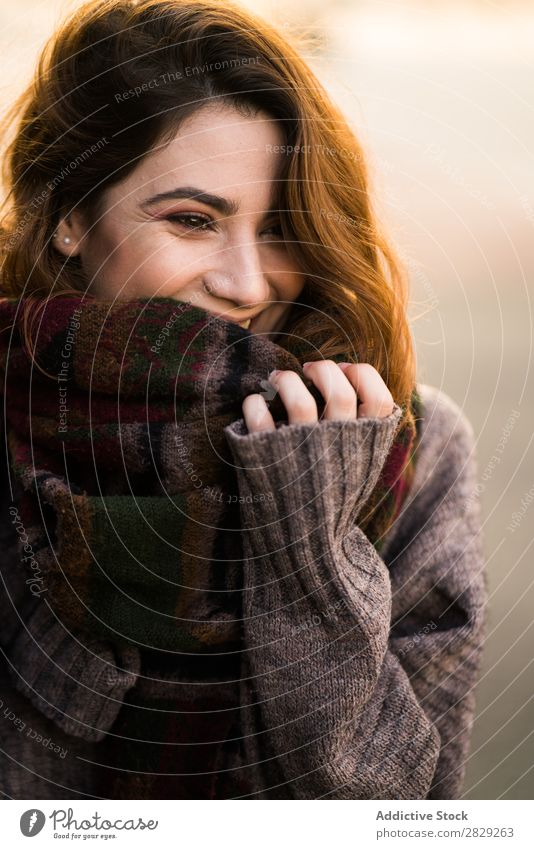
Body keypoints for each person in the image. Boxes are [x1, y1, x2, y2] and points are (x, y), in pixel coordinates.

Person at [0, 0, 487, 800]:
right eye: (192, 220)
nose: (248, 285)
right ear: (68, 218)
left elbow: (404, 813)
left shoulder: (411, 445)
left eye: (280, 226)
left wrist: (313, 550)